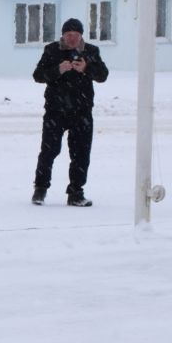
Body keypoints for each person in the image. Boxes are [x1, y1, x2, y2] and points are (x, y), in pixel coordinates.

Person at [31, 17, 108, 207]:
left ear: (81, 35)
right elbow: (38, 76)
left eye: (76, 35)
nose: (72, 38)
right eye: (68, 35)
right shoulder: (52, 50)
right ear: (63, 35)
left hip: (82, 112)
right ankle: (40, 189)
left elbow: (103, 75)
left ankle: (75, 193)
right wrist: (57, 70)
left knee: (81, 154)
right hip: (55, 111)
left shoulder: (90, 51)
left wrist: (86, 68)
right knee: (49, 151)